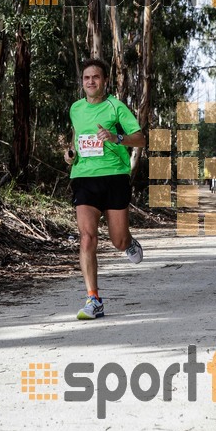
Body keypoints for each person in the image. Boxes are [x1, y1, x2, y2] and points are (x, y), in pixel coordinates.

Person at [64, 58, 146, 320]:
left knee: (118, 240)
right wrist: (70, 154)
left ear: (105, 81)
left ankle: (129, 243)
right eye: (86, 78)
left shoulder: (116, 107)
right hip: (84, 177)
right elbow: (75, 140)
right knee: (87, 237)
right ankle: (93, 299)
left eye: (95, 77)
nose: (91, 81)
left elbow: (141, 138)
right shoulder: (76, 109)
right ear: (82, 82)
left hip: (114, 177)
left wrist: (116, 137)